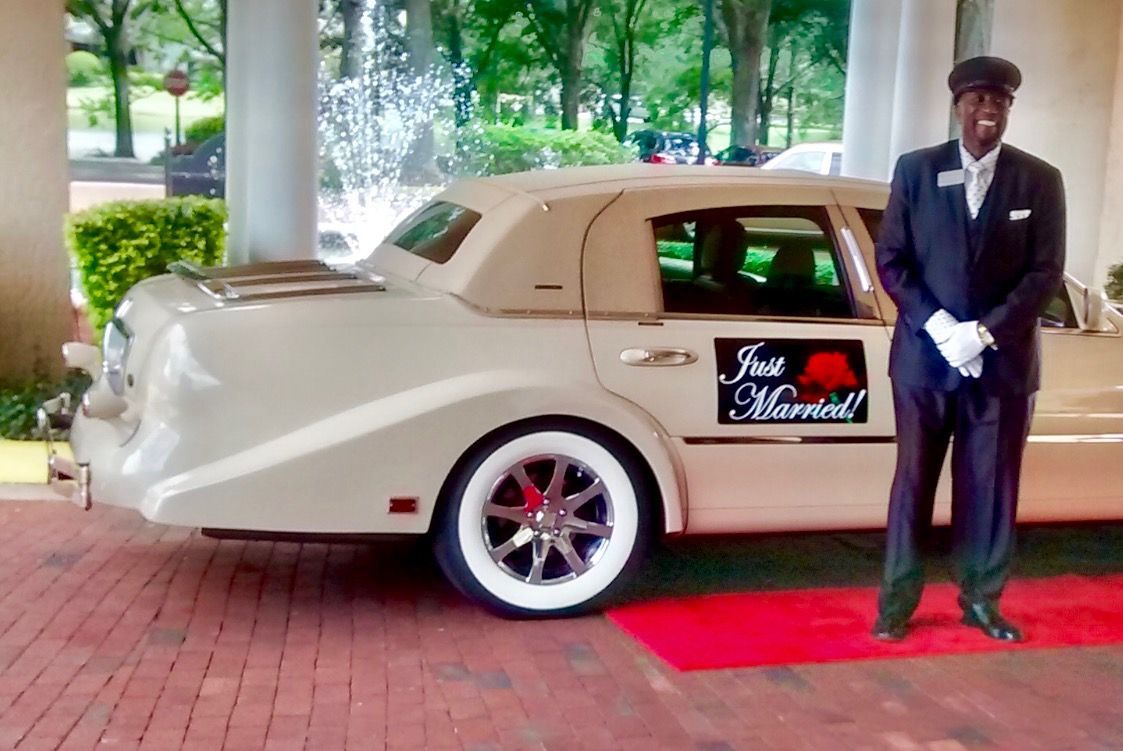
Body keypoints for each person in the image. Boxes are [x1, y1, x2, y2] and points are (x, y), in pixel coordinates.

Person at [871, 56, 1066, 642]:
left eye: (1000, 102)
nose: (990, 110)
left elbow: (1045, 272)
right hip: (923, 360)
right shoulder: (916, 170)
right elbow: (892, 260)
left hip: (1002, 363)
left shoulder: (1039, 179)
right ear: (958, 106)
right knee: (912, 482)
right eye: (979, 99)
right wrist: (939, 327)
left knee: (992, 485)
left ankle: (982, 600)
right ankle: (896, 603)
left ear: (1010, 109)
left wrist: (983, 332)